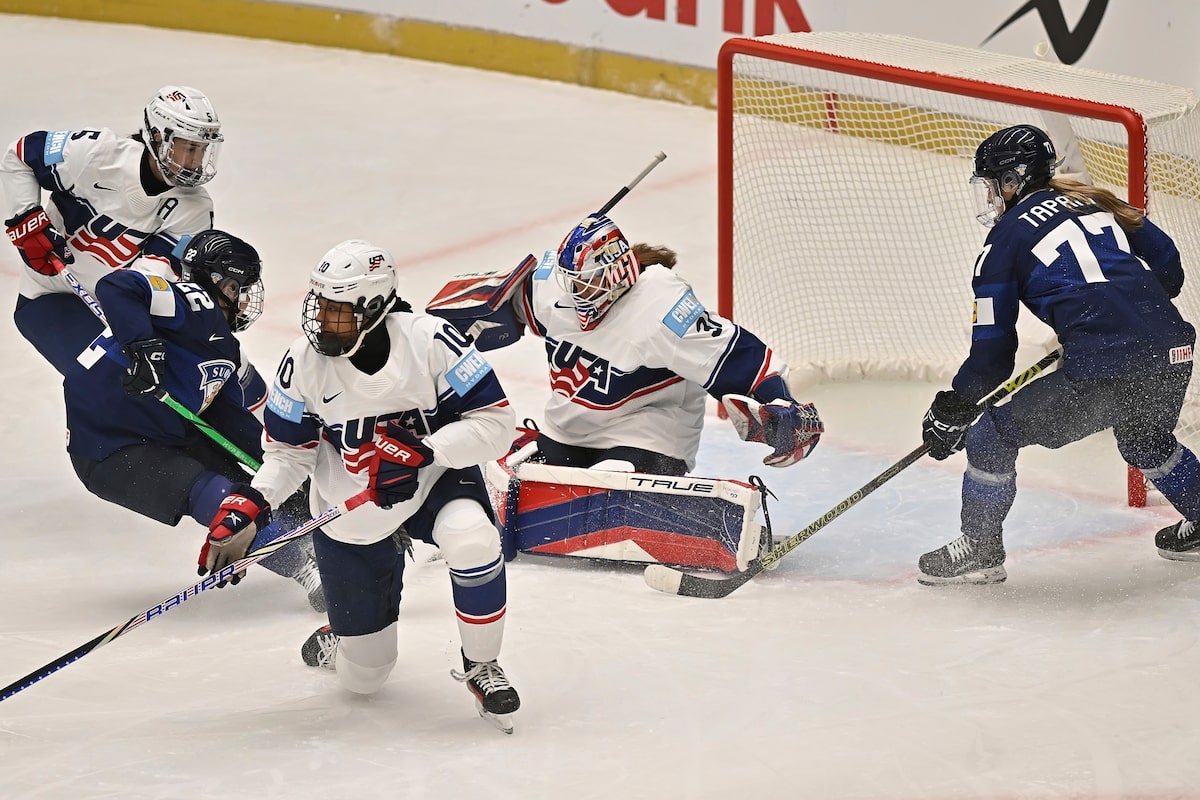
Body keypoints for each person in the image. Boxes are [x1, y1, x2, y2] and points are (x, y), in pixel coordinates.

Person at [206, 240, 520, 729]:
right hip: (350, 509)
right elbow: (289, 454)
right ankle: (344, 638)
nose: (320, 321)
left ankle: (482, 664)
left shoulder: (432, 342)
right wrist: (248, 504)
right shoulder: (302, 364)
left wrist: (425, 453)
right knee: (366, 679)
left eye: (336, 310)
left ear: (375, 308)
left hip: (434, 480)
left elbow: (497, 423)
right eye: (320, 305)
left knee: (473, 537)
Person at [917, 124, 1200, 585]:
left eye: (992, 186)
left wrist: (956, 406)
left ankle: (981, 550)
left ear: (1012, 181)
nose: (990, 199)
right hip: (1173, 350)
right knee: (1145, 440)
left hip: (1107, 369)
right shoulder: (1096, 198)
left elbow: (993, 359)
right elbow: (1168, 266)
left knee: (990, 436)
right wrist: (1115, 322)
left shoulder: (1001, 243)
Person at [428, 213, 824, 476]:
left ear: (619, 273)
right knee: (519, 472)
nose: (580, 293)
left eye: (589, 283)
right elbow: (496, 311)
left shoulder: (661, 309)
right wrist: (446, 325)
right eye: (573, 282)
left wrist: (782, 408)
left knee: (608, 482)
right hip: (569, 430)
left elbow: (745, 359)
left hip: (649, 434)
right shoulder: (552, 288)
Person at [68, 229, 324, 610]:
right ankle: (304, 565)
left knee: (251, 490)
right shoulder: (191, 302)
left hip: (170, 430)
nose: (244, 301)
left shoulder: (226, 348)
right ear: (220, 282)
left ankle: (325, 539)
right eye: (240, 288)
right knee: (218, 497)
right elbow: (117, 285)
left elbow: (233, 423)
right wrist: (143, 350)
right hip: (110, 448)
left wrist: (295, 469)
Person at [0, 85, 221, 377]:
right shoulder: (97, 154)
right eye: (190, 148)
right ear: (158, 137)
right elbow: (20, 156)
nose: (196, 162)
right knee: (103, 383)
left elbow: (150, 276)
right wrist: (27, 221)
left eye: (202, 150)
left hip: (110, 310)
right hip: (47, 297)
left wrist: (135, 329)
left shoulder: (194, 209)